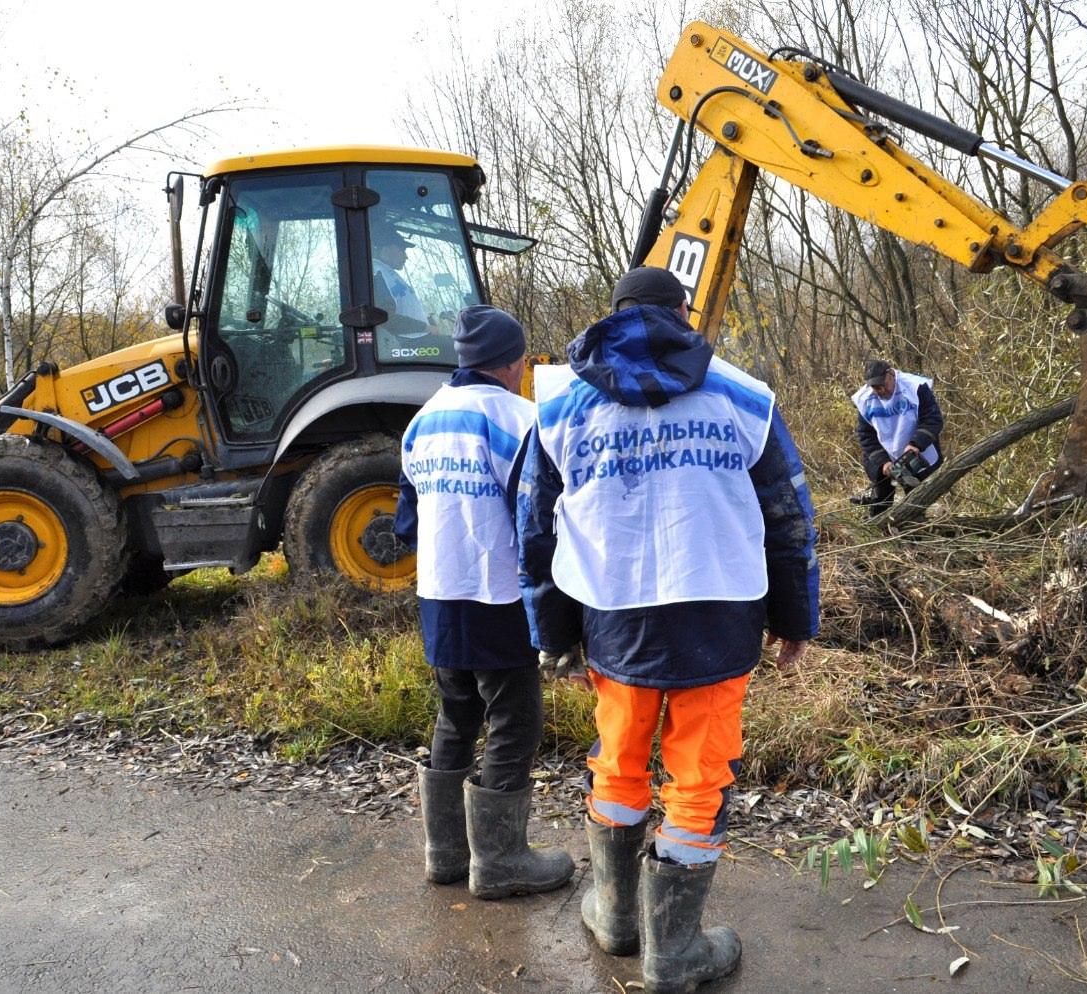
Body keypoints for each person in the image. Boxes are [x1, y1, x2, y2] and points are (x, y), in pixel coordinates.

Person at [517, 267, 819, 993]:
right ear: (684, 313)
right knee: (699, 773)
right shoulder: (745, 398)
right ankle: (672, 951)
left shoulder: (562, 409)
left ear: (613, 315)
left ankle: (618, 918)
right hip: (719, 612)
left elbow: (534, 529)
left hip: (614, 617)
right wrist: (794, 618)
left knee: (618, 759)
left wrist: (550, 630)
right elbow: (788, 517)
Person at [396, 305, 575, 900]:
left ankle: (445, 855)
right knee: (514, 722)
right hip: (498, 596)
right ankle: (499, 861)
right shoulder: (521, 419)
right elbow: (538, 522)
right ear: (514, 362)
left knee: (457, 714)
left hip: (439, 596)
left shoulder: (422, 422)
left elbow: (406, 523)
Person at [851, 358, 943, 515]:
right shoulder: (864, 400)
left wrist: (916, 443)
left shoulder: (915, 387)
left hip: (915, 451)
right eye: (875, 387)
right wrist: (883, 462)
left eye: (883, 385)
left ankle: (916, 530)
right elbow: (866, 435)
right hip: (884, 453)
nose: (881, 390)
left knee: (917, 498)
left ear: (891, 374)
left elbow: (932, 419)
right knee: (881, 496)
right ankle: (877, 527)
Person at [373, 224, 455, 363]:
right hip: (408, 345)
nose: (406, 256)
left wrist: (426, 319)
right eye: (402, 250)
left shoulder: (387, 273)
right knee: (461, 349)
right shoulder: (378, 274)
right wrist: (424, 327)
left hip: (416, 339)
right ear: (386, 249)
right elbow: (385, 318)